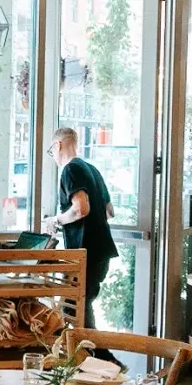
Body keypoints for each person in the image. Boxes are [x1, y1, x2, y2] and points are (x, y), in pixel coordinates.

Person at [49, 126, 119, 351]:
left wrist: (57, 220)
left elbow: (81, 209)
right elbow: (109, 211)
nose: (53, 156)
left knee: (74, 309)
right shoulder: (92, 170)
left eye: (52, 150)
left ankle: (103, 359)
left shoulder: (70, 169)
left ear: (58, 145)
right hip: (101, 252)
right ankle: (95, 359)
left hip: (85, 252)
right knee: (80, 307)